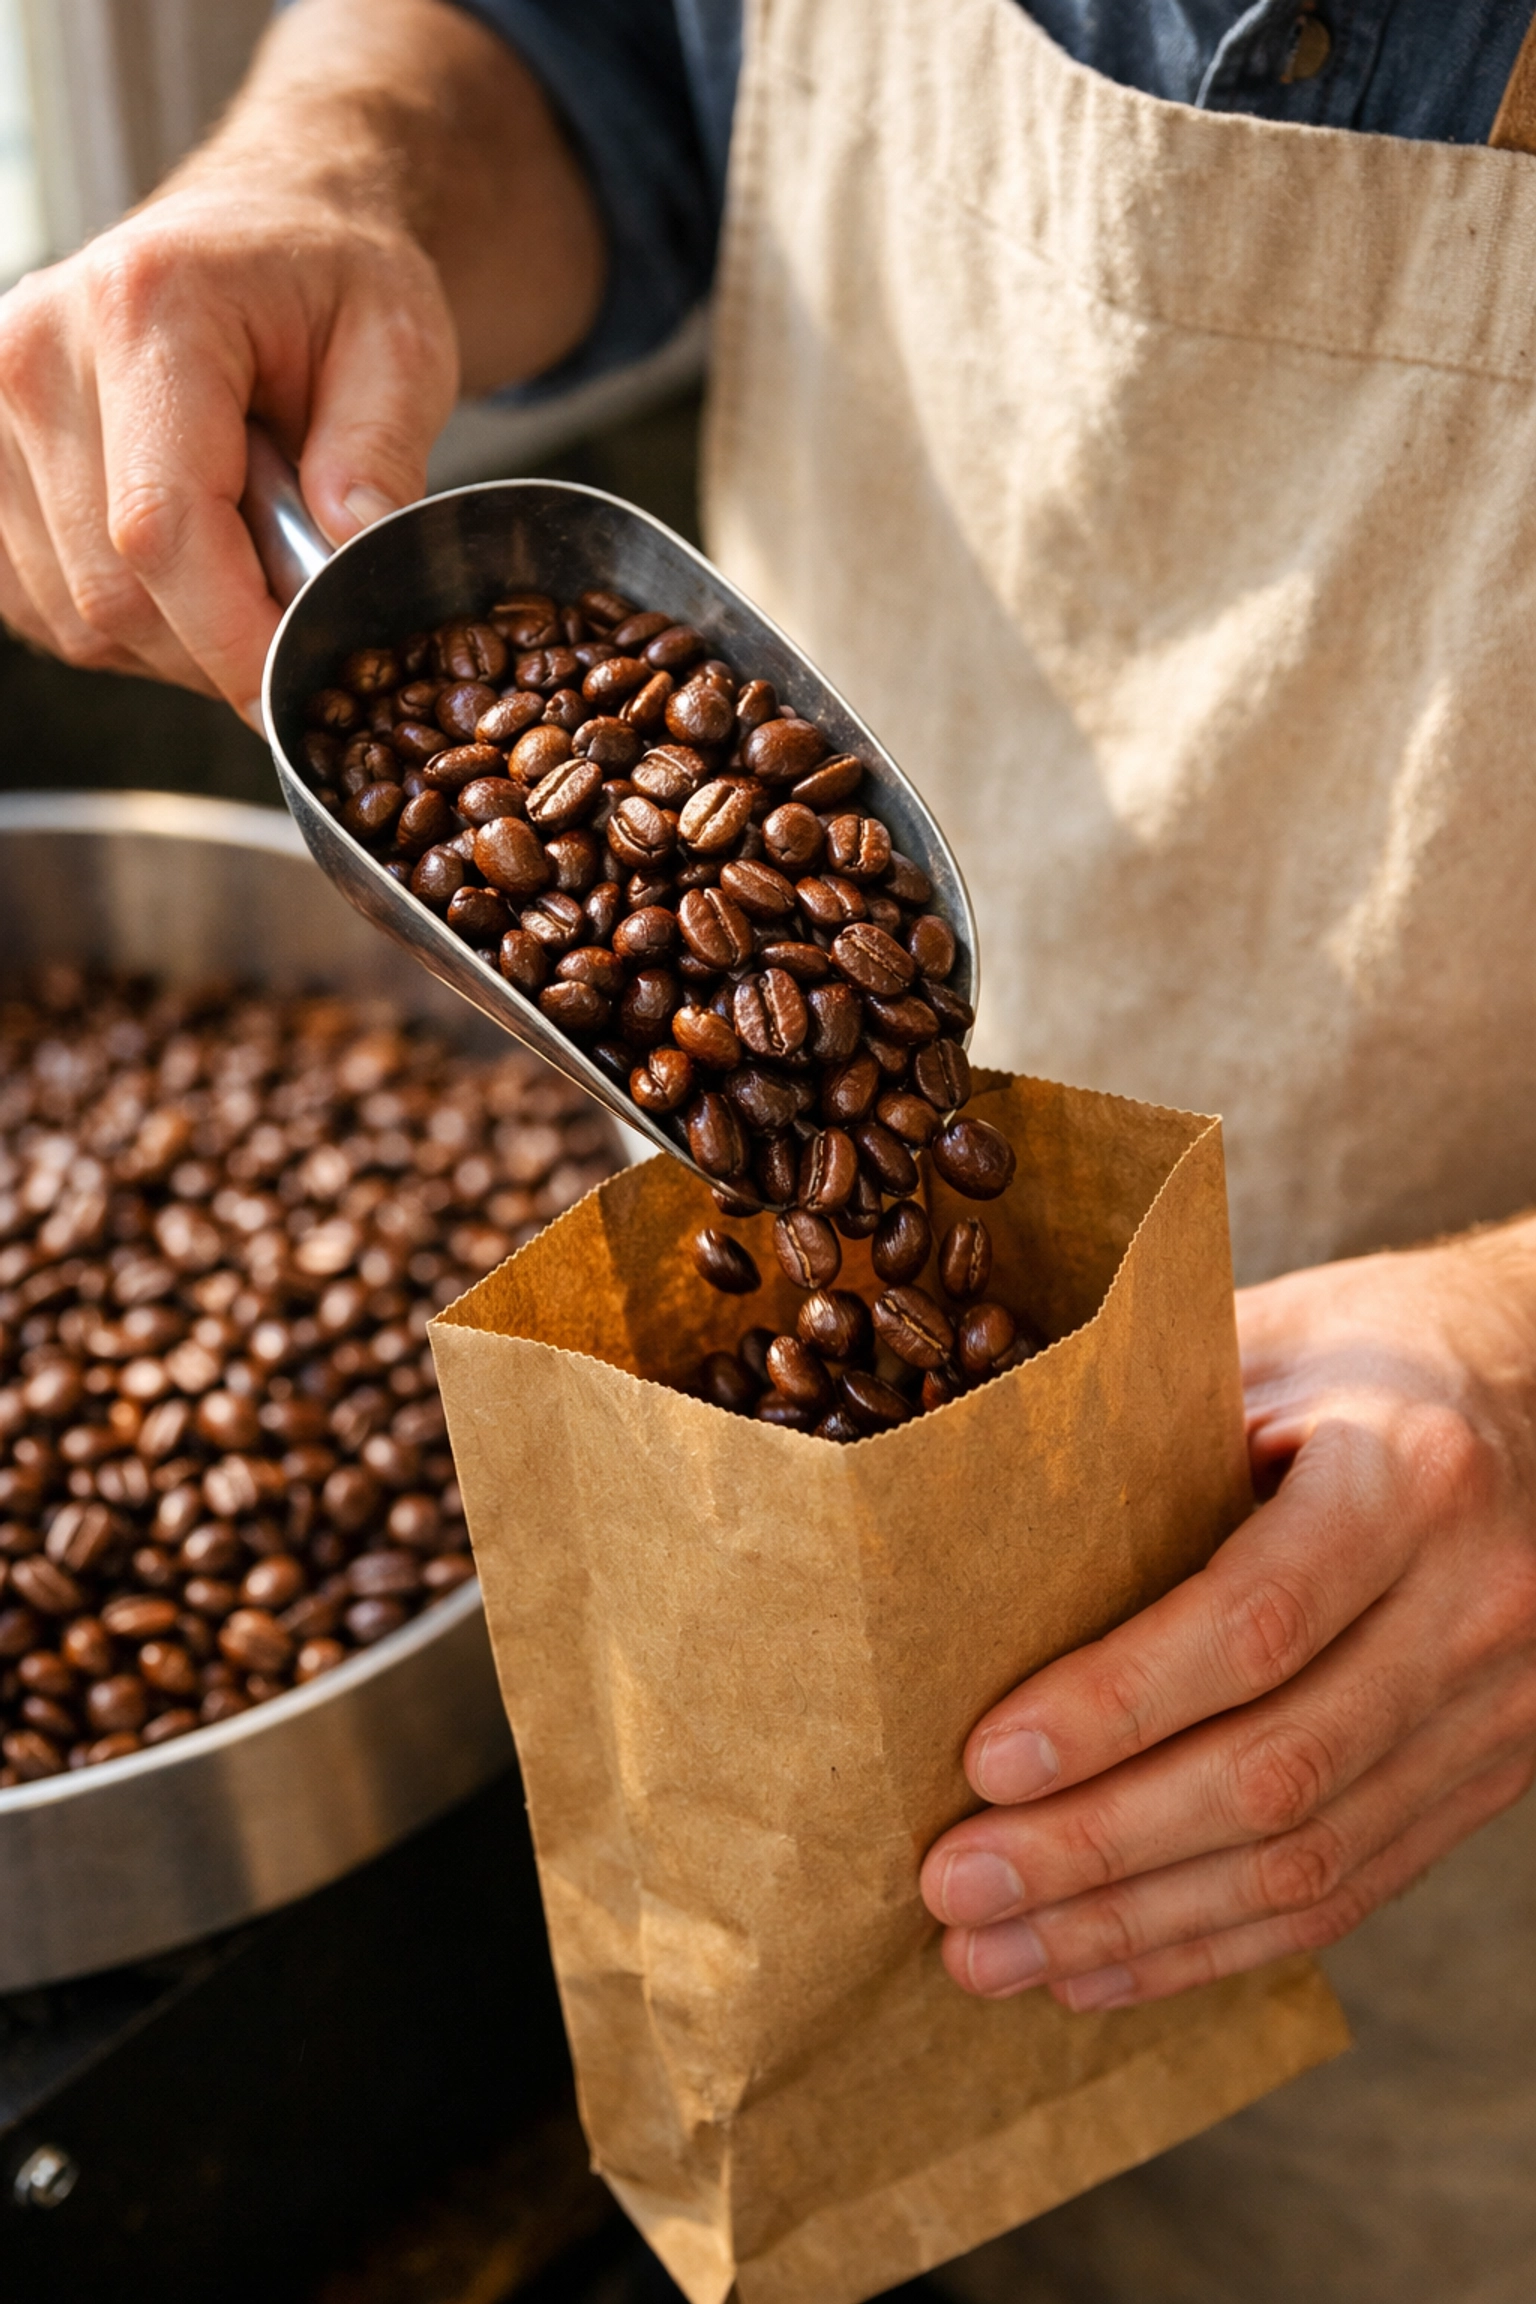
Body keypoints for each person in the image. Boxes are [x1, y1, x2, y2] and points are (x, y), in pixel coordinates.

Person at [4, 2, 1536, 2295]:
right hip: (848, 1627)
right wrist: (340, 170)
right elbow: (596, 44)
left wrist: (1522, 1357)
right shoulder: (778, 1011)